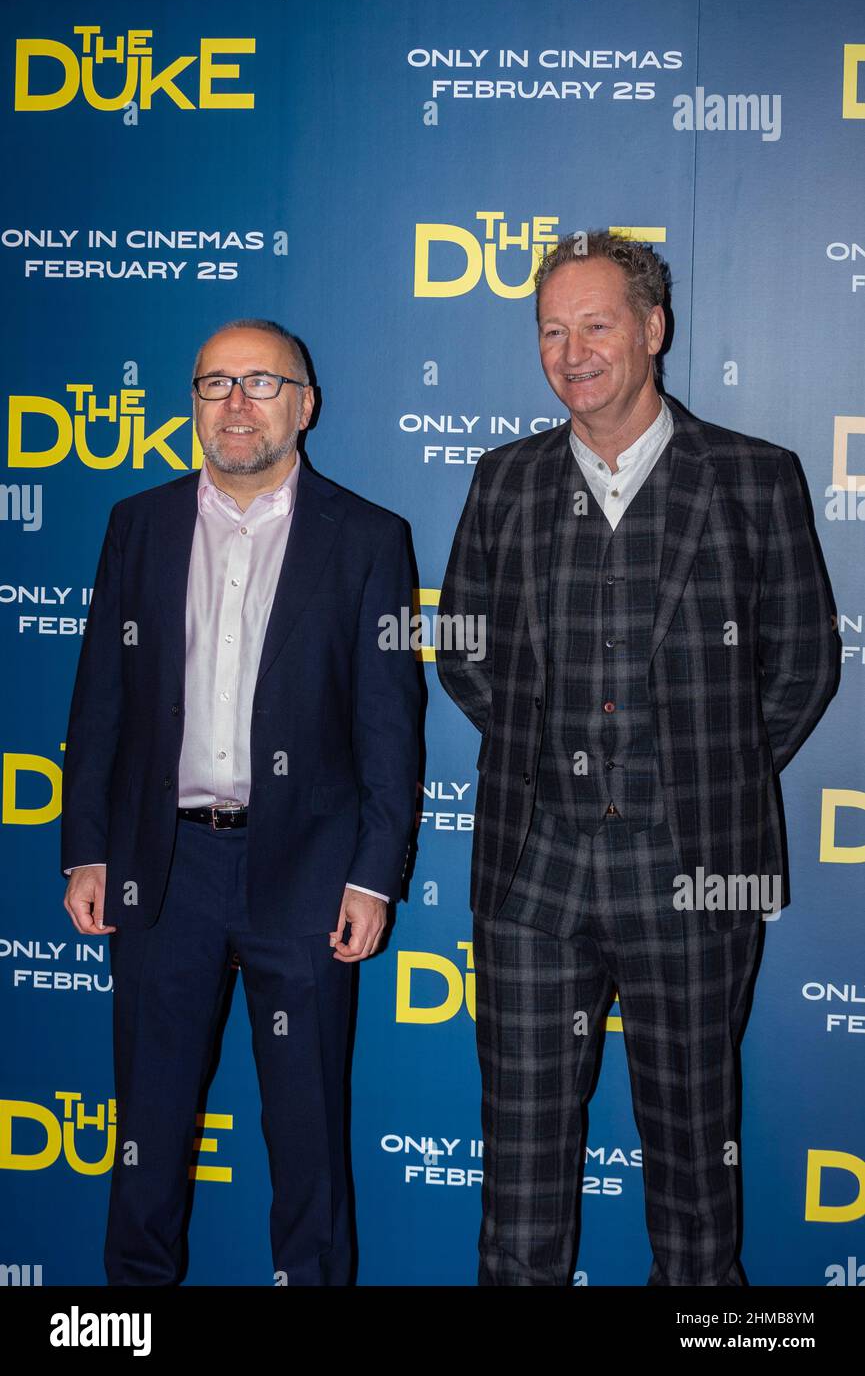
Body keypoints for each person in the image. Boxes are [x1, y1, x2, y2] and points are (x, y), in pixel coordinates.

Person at [436, 232, 839, 1286]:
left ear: (652, 330)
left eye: (597, 324)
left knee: (697, 1185)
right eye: (551, 330)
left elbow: (801, 667)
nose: (572, 352)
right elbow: (463, 654)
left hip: (698, 870)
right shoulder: (502, 481)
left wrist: (702, 777)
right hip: (530, 875)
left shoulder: (755, 478)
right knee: (518, 1192)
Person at [61, 318, 420, 1286]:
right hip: (160, 875)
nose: (234, 403)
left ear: (305, 406)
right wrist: (86, 849)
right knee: (145, 1134)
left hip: (305, 877)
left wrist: (372, 876)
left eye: (261, 382)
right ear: (192, 404)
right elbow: (98, 702)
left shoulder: (369, 539)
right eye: (214, 383)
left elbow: (390, 725)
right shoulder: (137, 525)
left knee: (308, 1140)